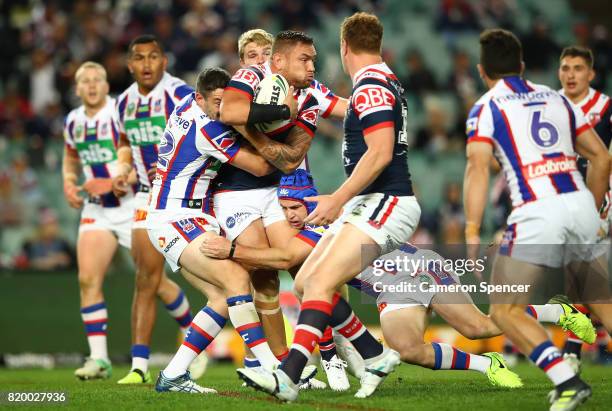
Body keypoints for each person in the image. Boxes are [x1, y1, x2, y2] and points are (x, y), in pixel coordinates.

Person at [202, 170, 595, 390]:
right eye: (284, 208)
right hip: (388, 289)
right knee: (409, 349)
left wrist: (232, 250)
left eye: (295, 207)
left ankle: (554, 309)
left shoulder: (320, 224)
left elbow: (287, 257)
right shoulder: (305, 226)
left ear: (312, 203)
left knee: (480, 325)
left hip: (416, 271)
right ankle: (486, 365)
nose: (289, 215)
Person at [237, 13, 420, 402]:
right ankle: (374, 354)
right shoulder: (378, 83)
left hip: (376, 200)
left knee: (315, 280)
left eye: (313, 59)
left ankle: (292, 374)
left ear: (344, 47)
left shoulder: (366, 85)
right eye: (306, 60)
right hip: (358, 201)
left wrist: (338, 198)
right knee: (305, 282)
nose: (312, 67)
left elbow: (375, 142)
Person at [463, 29, 612, 411]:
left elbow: (478, 169)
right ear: (523, 66)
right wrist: (590, 209)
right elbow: (601, 157)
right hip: (579, 201)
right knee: (601, 300)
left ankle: (567, 381)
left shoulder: (486, 107)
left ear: (482, 71)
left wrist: (472, 229)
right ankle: (568, 376)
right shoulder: (557, 99)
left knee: (504, 310)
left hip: (536, 209)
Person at [146, 67, 309, 393]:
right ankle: (275, 369)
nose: (223, 110)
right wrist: (263, 121)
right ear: (200, 99)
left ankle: (173, 375)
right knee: (237, 281)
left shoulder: (185, 106)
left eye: (227, 102)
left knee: (221, 297)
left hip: (186, 215)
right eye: (217, 103)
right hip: (176, 217)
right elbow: (262, 165)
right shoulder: (209, 130)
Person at [215, 30, 345, 366]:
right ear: (242, 62)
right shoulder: (244, 82)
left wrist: (385, 102)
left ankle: (333, 352)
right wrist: (278, 112)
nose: (258, 59)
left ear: (278, 59)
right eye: (251, 54)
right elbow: (230, 115)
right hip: (236, 192)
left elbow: (345, 108)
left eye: (265, 53)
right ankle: (277, 362)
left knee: (305, 266)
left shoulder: (303, 87)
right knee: (265, 277)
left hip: (281, 188)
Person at [111, 35, 204, 384]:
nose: (146, 63)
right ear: (130, 64)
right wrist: (123, 169)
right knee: (145, 278)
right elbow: (123, 143)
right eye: (139, 57)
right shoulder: (123, 103)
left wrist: (170, 162)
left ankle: (253, 357)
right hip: (145, 196)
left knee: (217, 280)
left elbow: (201, 132)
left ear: (164, 62)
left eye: (153, 57)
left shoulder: (179, 93)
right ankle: (138, 366)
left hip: (183, 195)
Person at [62, 61, 135, 380]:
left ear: (106, 85)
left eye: (97, 79)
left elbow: (140, 156)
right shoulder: (73, 121)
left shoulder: (120, 111)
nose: (91, 85)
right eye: (85, 81)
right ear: (77, 89)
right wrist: (68, 180)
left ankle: (191, 330)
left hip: (131, 205)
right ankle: (100, 359)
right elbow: (70, 157)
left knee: (154, 282)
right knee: (88, 280)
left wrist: (121, 179)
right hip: (96, 209)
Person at [558, 45, 612, 368]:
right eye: (565, 68)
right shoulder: (549, 104)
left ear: (590, 74)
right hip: (561, 203)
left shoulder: (605, 108)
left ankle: (571, 354)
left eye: (578, 68)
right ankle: (572, 352)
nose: (570, 74)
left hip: (596, 205)